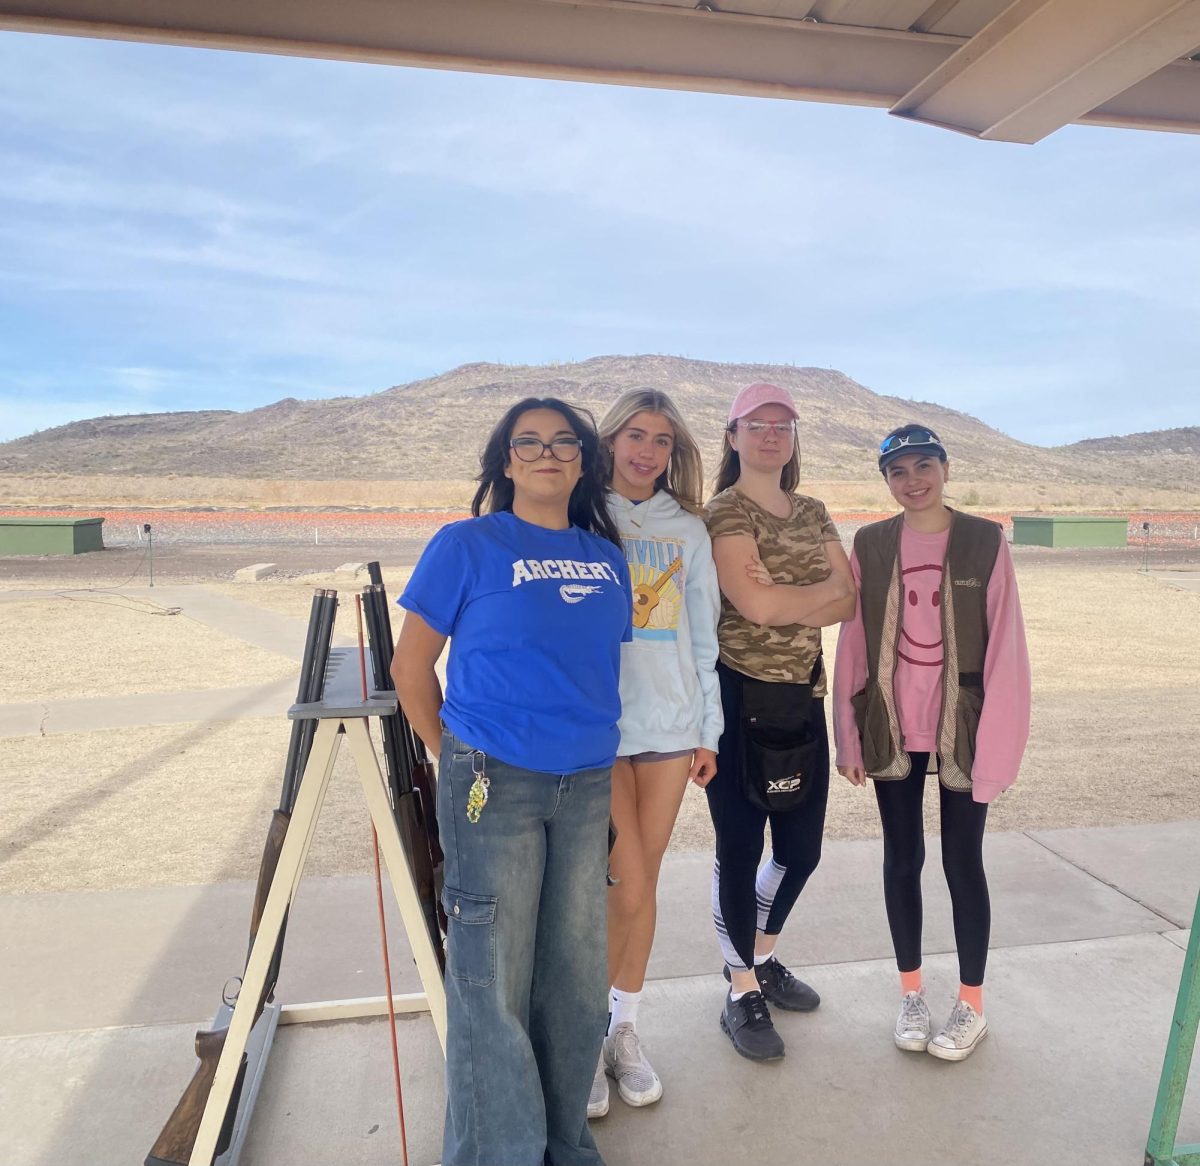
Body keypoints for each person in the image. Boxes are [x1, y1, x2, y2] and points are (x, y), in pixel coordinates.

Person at [391, 397, 632, 1166]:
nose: (547, 454)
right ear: (505, 462)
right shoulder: (466, 545)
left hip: (587, 783)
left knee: (572, 980)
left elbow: (593, 664)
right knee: (490, 981)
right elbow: (410, 669)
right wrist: (456, 758)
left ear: (585, 463)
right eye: (527, 443)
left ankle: (564, 1143)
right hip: (494, 782)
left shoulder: (605, 556)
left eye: (564, 443)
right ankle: (500, 1152)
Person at [832, 423, 1030, 1062]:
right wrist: (849, 737)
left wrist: (999, 749)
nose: (912, 480)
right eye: (898, 471)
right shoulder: (871, 543)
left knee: (962, 863)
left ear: (944, 468)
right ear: (885, 480)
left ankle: (971, 1003)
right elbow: (855, 646)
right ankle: (911, 993)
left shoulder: (983, 541)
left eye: (923, 466)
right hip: (893, 725)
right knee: (902, 858)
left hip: (963, 731)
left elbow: (1006, 650)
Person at [703, 382, 856, 1061]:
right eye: (756, 424)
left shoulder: (813, 509)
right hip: (738, 699)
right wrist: (806, 596)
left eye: (783, 424)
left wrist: (782, 594)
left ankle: (761, 956)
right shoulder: (723, 513)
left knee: (800, 852)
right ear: (732, 436)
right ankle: (740, 989)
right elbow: (753, 607)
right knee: (738, 851)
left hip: (802, 698)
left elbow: (849, 599)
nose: (771, 434)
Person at [586, 389, 722, 1118]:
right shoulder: (580, 517)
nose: (646, 450)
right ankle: (584, 1038)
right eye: (634, 435)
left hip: (671, 729)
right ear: (609, 441)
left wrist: (710, 730)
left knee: (645, 883)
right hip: (598, 728)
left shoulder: (688, 531)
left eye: (662, 441)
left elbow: (704, 636)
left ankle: (624, 1034)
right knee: (622, 885)